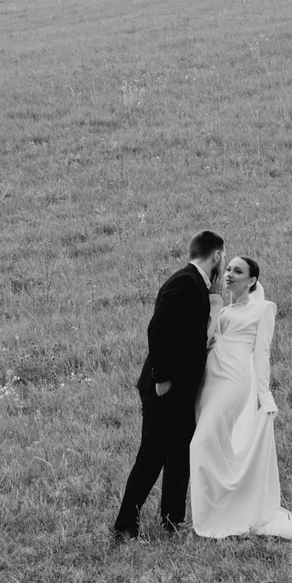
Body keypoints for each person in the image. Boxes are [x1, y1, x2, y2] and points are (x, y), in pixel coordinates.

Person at [189, 256, 292, 539]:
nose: (229, 274)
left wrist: (264, 395)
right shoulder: (222, 310)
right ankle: (222, 508)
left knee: (200, 443)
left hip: (233, 382)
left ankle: (215, 516)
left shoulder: (263, 309)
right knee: (217, 446)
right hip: (209, 383)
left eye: (238, 271)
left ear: (252, 280)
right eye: (227, 269)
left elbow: (261, 354)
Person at [111, 230, 223, 541]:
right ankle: (124, 527)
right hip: (163, 388)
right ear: (216, 255)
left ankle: (172, 520)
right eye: (223, 257)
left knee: (179, 455)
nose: (224, 263)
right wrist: (161, 377)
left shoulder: (199, 285)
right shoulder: (184, 281)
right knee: (151, 456)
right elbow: (157, 328)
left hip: (184, 390)